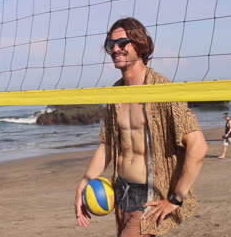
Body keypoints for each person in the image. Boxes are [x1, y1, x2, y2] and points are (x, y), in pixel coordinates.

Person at [74, 17, 208, 237]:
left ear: (139, 43)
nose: (115, 49)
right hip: (120, 193)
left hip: (149, 196)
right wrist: (83, 184)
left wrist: (177, 198)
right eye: (110, 45)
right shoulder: (116, 93)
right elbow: (107, 145)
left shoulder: (163, 90)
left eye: (122, 43)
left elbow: (198, 146)